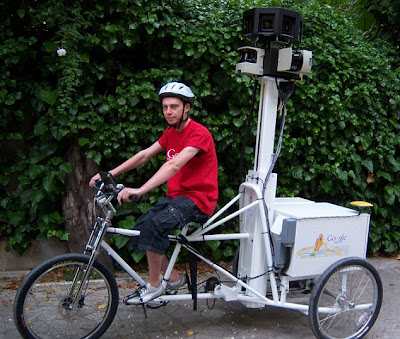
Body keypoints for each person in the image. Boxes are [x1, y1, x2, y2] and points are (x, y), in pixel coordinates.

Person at [89, 82, 218, 304]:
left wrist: (140, 190)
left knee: (155, 225)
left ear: (187, 108)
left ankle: (154, 287)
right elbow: (144, 155)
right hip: (176, 199)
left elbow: (174, 165)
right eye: (165, 106)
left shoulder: (199, 133)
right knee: (143, 227)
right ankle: (175, 279)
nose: (168, 111)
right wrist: (110, 173)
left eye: (174, 106)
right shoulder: (170, 133)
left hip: (197, 200)